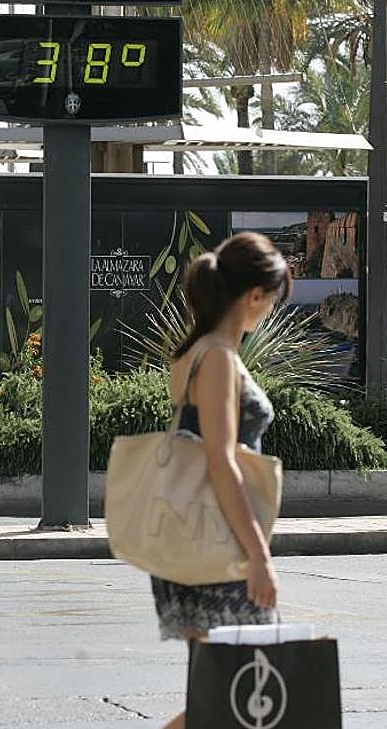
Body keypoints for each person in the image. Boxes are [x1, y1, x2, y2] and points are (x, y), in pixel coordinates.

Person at [156, 231, 292, 729]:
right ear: (255, 296)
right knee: (251, 691)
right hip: (219, 548)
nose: (270, 313)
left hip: (198, 543)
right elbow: (221, 460)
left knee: (223, 700)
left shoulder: (193, 352)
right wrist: (258, 556)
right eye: (272, 301)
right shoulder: (216, 358)